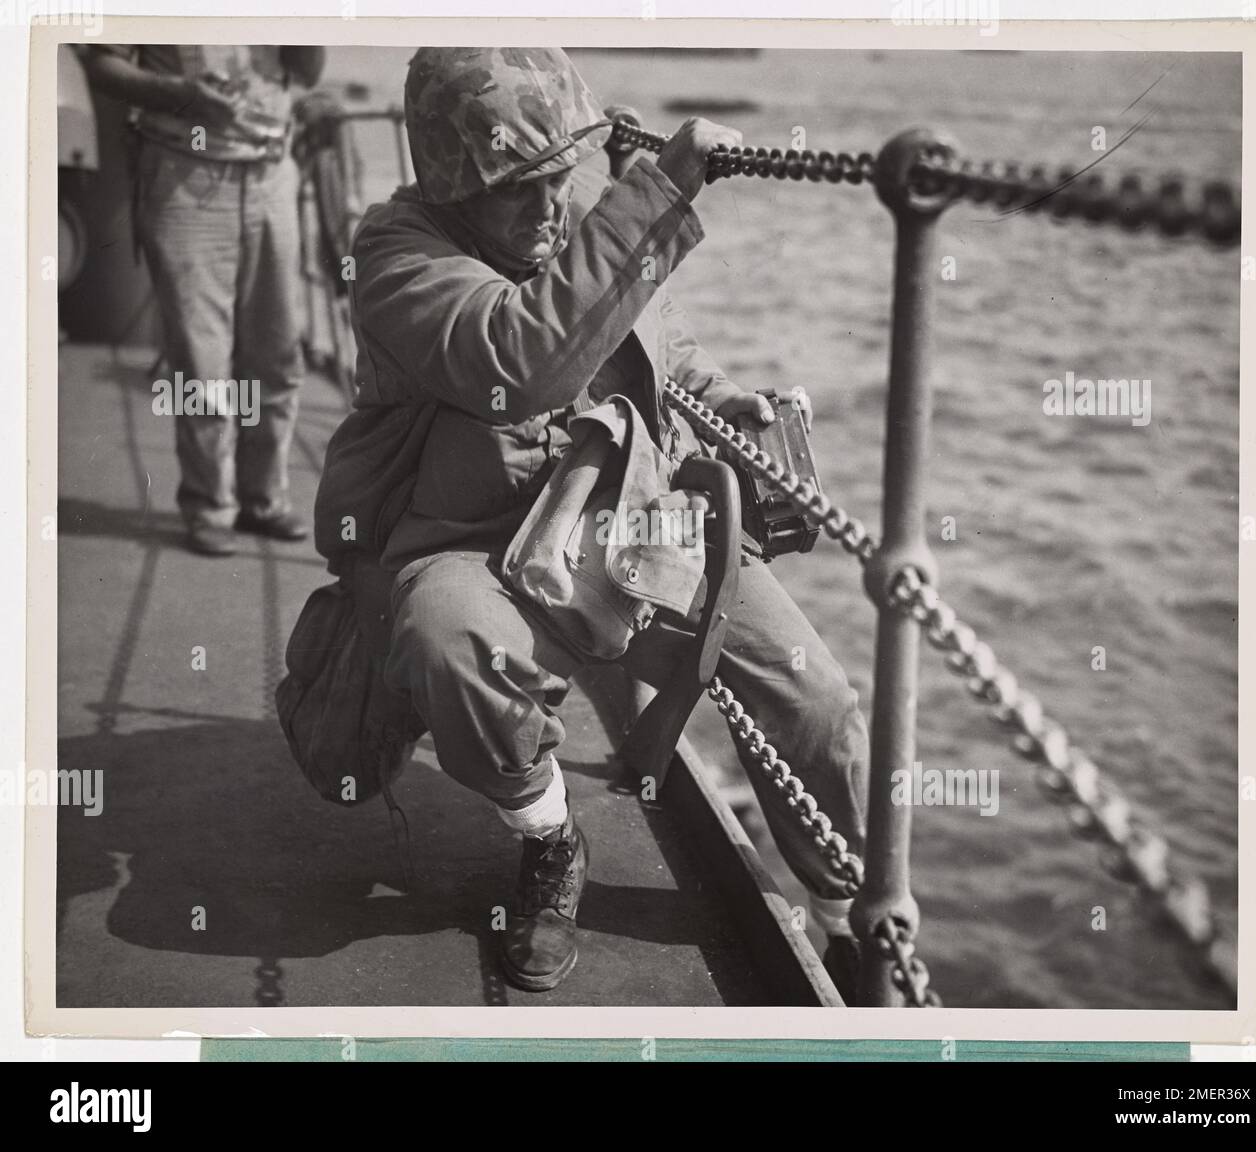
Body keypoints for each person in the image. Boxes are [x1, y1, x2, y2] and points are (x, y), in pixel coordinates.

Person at [324, 47, 882, 998]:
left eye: (560, 178)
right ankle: (549, 839)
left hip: (633, 516)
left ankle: (857, 923)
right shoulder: (396, 255)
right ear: (452, 188)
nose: (550, 208)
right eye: (518, 189)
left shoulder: (584, 211)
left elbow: (663, 344)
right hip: (476, 538)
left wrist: (731, 409)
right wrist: (656, 189)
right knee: (443, 638)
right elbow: (518, 360)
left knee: (818, 704)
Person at [82, 46, 325, 556]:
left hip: (272, 173)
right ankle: (210, 504)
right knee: (200, 362)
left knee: (278, 355)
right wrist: (182, 97)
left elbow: (307, 72)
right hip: (180, 173)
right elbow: (102, 62)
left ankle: (263, 499)